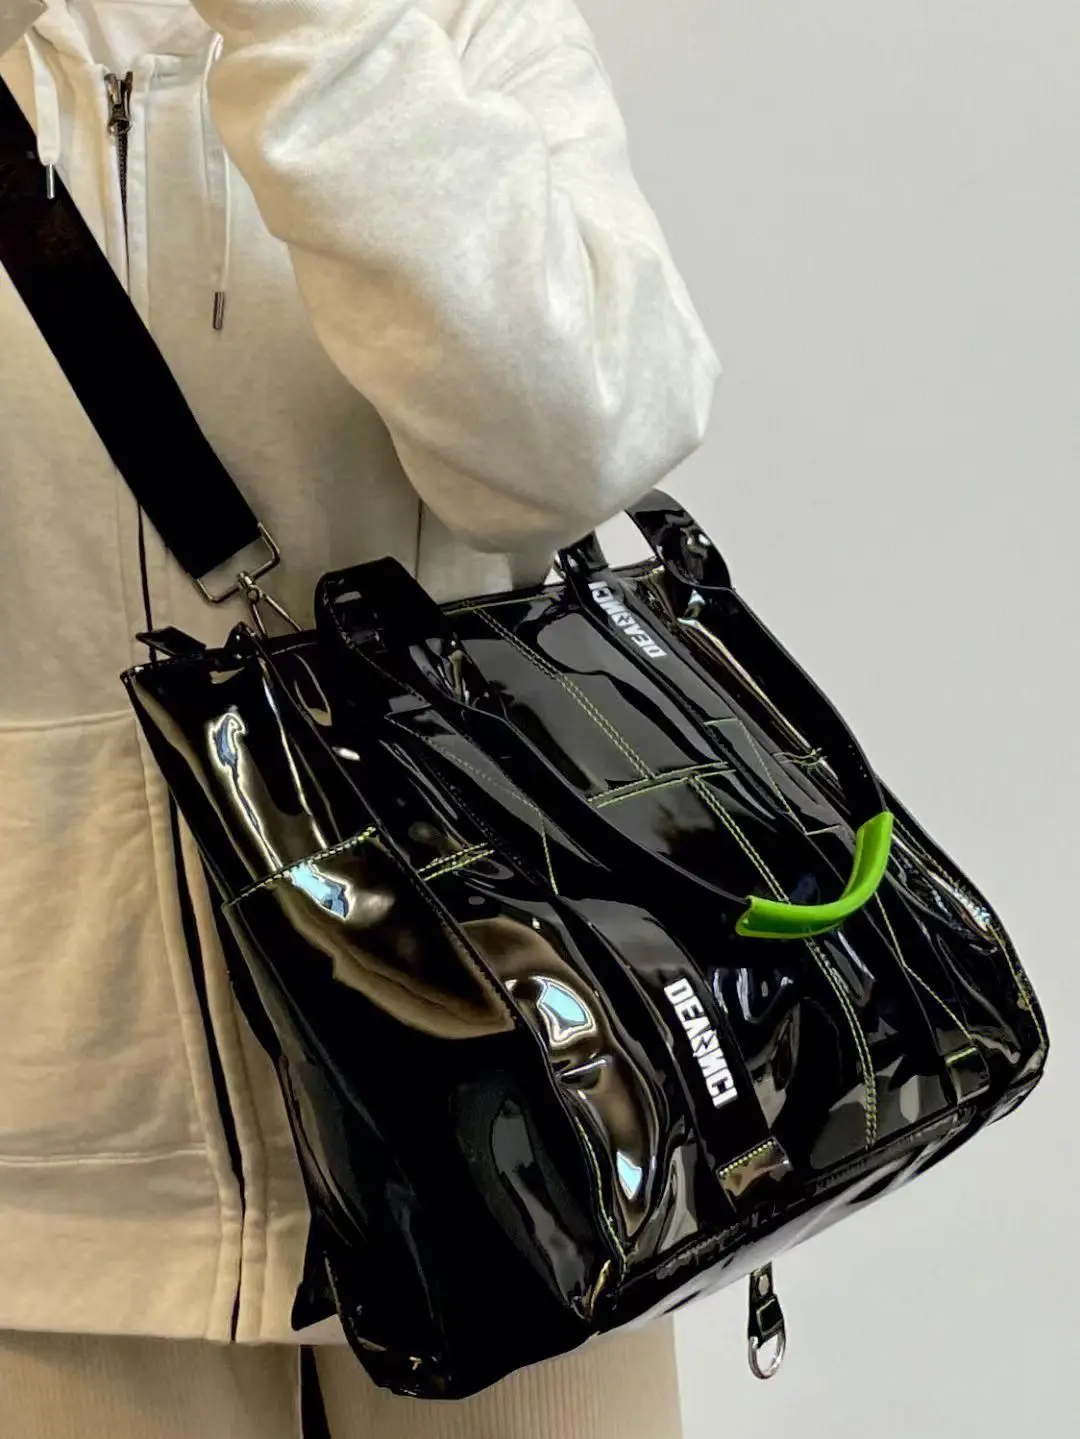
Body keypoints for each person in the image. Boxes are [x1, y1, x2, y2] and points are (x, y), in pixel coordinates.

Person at [0, 1, 719, 1434]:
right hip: (57, 1162)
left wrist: (321, 37)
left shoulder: (452, 22)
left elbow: (582, 445)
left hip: (532, 1117)